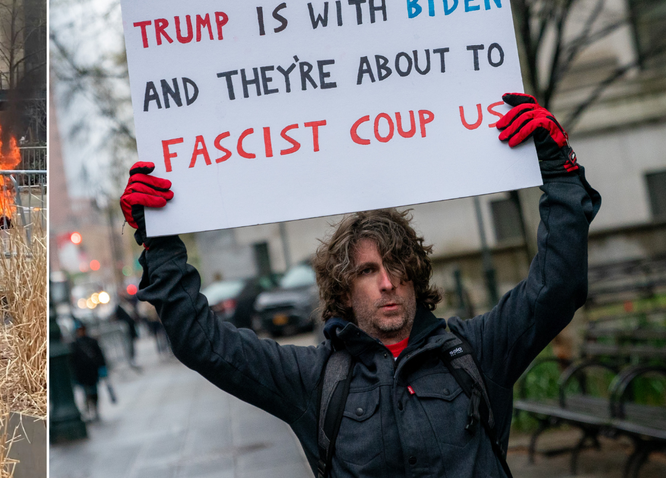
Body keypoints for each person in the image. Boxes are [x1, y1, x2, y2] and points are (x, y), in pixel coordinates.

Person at [119, 93, 601, 478]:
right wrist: (160, 244)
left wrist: (559, 171)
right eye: (368, 271)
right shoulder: (313, 380)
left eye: (396, 266)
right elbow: (203, 343)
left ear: (415, 275)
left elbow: (557, 287)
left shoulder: (476, 352)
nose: (387, 282)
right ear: (345, 290)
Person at [69, 323, 108, 421]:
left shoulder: (91, 342)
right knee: (86, 393)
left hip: (92, 372)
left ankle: (94, 409)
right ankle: (89, 409)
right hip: (82, 374)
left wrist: (102, 368)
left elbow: (99, 356)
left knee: (94, 392)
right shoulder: (74, 345)